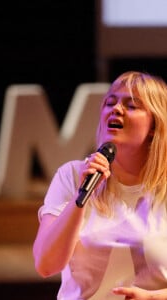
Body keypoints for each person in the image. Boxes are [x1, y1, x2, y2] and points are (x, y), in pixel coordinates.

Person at [33, 71, 167, 299]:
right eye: (110, 102)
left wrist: (153, 297)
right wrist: (81, 197)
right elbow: (46, 264)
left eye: (132, 105)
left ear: (155, 124)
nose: (115, 109)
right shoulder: (73, 176)